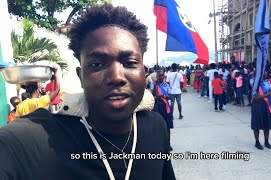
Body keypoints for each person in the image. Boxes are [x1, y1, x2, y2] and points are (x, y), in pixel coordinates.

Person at [0, 4, 175, 180]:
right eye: (97, 64)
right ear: (80, 76)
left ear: (144, 73)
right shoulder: (35, 139)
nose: (116, 77)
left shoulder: (156, 127)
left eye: (129, 63)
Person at [251, 70, 271, 150]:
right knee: (257, 124)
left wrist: (267, 94)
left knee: (267, 124)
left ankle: (266, 141)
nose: (264, 74)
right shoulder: (254, 82)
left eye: (264, 72)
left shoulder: (267, 82)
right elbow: (256, 97)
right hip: (257, 105)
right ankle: (257, 142)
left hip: (267, 104)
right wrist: (268, 94)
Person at [151, 71, 173, 151]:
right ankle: (159, 144)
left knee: (167, 126)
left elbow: (170, 96)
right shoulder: (154, 84)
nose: (161, 77)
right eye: (159, 75)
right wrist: (155, 85)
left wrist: (163, 96)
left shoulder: (166, 85)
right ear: (157, 76)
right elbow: (152, 94)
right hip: (157, 106)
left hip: (165, 106)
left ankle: (168, 144)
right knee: (158, 125)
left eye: (162, 75)